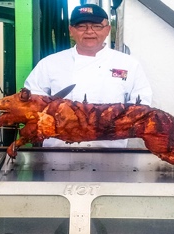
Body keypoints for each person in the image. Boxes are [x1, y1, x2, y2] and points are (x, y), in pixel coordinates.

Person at [24, 3, 152, 148]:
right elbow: (31, 103)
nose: (89, 31)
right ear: (71, 30)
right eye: (81, 26)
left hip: (111, 153)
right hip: (59, 151)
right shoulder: (49, 64)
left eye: (97, 26)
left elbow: (142, 105)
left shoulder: (128, 64)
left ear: (107, 29)